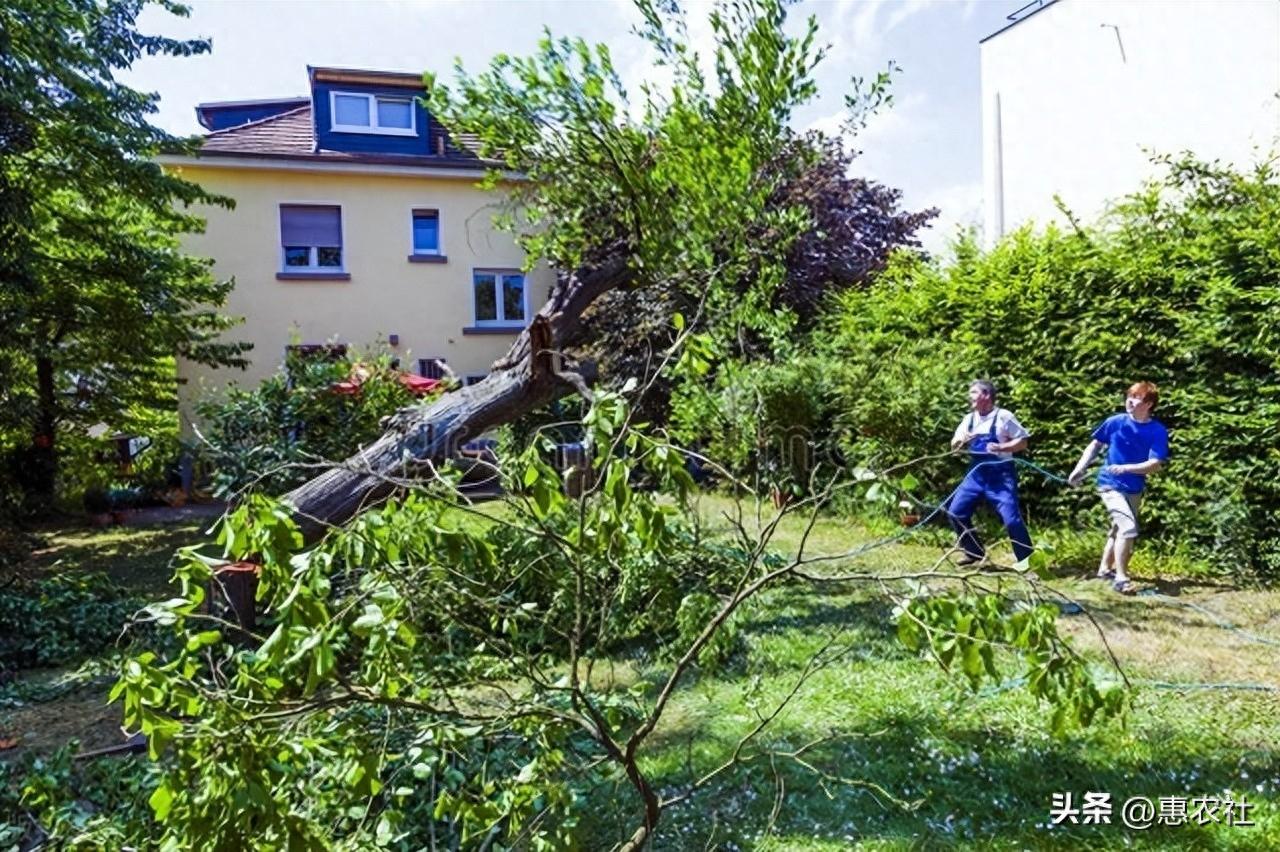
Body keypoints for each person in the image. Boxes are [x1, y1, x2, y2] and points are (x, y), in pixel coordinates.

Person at [1067, 381, 1169, 595]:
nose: (1130, 401)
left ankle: (1104, 570)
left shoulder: (1157, 430)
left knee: (1118, 528)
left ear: (1149, 404)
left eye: (1137, 398)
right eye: (1129, 396)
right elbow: (1095, 445)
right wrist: (1079, 469)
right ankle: (1121, 578)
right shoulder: (1115, 422)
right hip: (1109, 484)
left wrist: (1126, 468)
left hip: (1134, 486)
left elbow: (1155, 464)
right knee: (1128, 527)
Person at [946, 380, 1035, 566]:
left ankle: (1027, 561)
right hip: (976, 474)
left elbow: (1023, 441)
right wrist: (961, 441)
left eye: (973, 392)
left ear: (986, 396)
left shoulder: (1004, 416)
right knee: (956, 512)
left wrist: (1001, 446)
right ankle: (974, 552)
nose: (969, 396)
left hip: (1001, 476)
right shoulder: (968, 419)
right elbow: (954, 447)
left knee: (1011, 520)